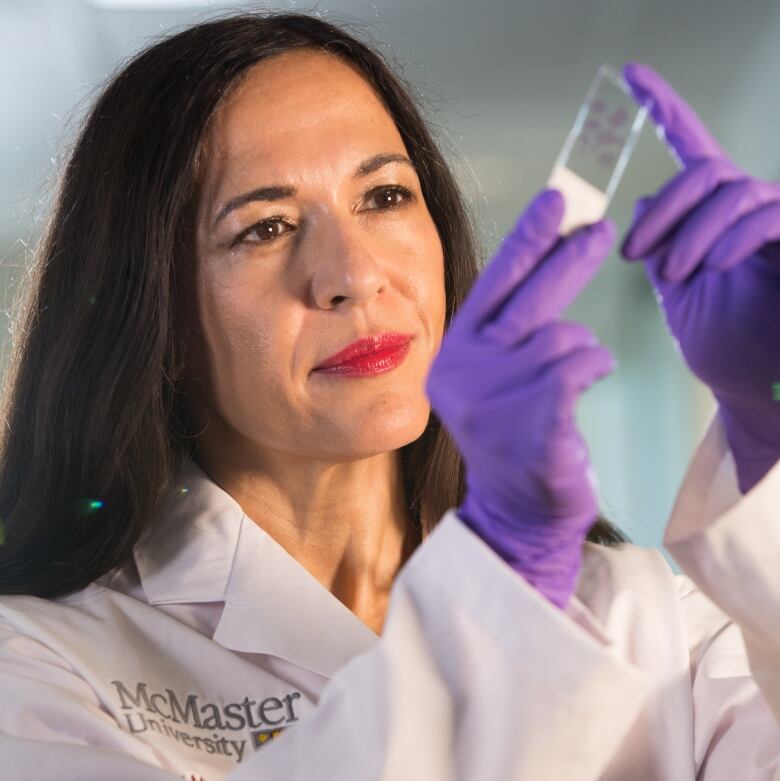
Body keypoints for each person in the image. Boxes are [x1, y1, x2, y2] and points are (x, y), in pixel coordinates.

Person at [0, 9, 777, 780]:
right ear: (152, 310)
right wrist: (502, 579)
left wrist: (767, 423)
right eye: (265, 227)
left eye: (383, 197)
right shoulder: (40, 666)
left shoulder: (655, 627)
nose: (353, 273)